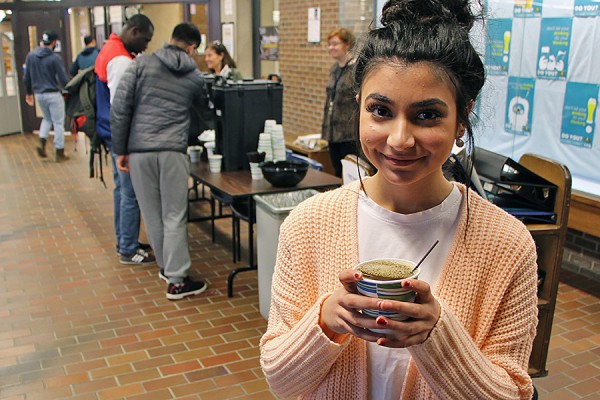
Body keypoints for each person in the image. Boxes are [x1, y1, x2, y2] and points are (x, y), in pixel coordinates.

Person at [260, 0, 539, 399]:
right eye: (381, 111)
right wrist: (325, 320)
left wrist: (437, 336)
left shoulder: (506, 245)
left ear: (462, 118)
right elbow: (281, 382)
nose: (399, 139)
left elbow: (511, 394)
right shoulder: (308, 226)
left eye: (427, 116)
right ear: (359, 107)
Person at [110, 23, 211, 300]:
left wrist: (121, 150)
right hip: (172, 151)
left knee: (152, 213)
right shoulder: (194, 76)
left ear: (171, 39)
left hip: (139, 151)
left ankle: (167, 269)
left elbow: (121, 108)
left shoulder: (141, 64)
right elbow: (204, 117)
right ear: (191, 47)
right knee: (174, 215)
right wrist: (188, 136)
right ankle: (178, 281)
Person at [95, 14, 156, 265]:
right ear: (133, 31)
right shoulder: (120, 60)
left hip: (109, 132)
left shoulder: (111, 49)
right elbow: (121, 108)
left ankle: (125, 240)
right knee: (130, 193)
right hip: (120, 137)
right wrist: (124, 148)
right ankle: (128, 249)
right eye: (145, 39)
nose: (146, 46)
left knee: (122, 191)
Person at [24, 30, 70, 162]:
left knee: (47, 118)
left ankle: (42, 142)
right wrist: (69, 88)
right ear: (54, 42)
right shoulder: (54, 58)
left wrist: (28, 93)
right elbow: (62, 78)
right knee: (58, 123)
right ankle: (59, 152)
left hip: (39, 94)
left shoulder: (31, 56)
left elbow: (27, 77)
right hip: (53, 94)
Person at [321, 28, 358, 177]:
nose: (331, 48)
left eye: (335, 44)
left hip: (349, 134)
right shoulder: (335, 68)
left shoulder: (356, 69)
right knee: (337, 172)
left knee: (350, 174)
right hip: (333, 132)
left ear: (347, 44)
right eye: (329, 44)